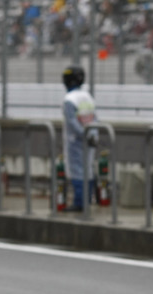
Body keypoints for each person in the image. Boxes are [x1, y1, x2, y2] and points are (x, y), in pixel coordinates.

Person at [61, 64, 98, 211]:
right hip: (90, 139)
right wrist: (92, 135)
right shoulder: (87, 96)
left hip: (75, 141)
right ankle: (87, 200)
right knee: (88, 169)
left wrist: (83, 135)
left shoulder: (69, 99)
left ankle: (79, 203)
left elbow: (71, 122)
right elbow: (95, 117)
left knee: (77, 172)